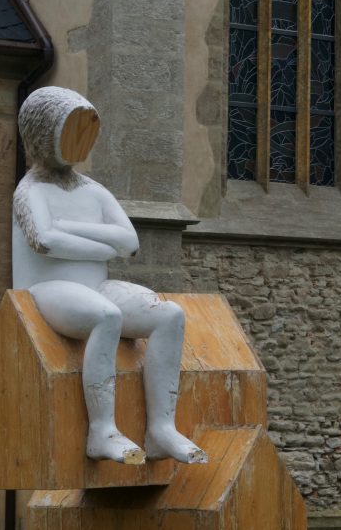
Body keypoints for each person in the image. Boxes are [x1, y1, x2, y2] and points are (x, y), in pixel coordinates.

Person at [12, 86, 206, 465]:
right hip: (46, 290)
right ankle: (102, 431)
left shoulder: (93, 190)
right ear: (43, 133)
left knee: (168, 315)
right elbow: (45, 241)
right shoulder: (30, 189)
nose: (79, 142)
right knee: (106, 316)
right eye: (68, 130)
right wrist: (102, 246)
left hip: (95, 285)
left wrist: (75, 229)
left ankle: (161, 429)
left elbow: (129, 241)